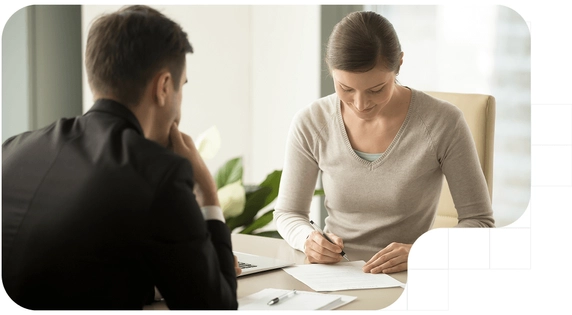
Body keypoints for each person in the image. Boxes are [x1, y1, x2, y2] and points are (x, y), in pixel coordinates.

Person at [2, 5, 240, 310]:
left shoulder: (12, 149)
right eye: (181, 88)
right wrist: (207, 188)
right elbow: (215, 307)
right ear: (164, 87)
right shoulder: (157, 174)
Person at [273, 11, 495, 275]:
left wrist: (422, 252)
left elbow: (480, 223)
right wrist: (308, 240)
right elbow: (289, 212)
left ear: (399, 65)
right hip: (334, 276)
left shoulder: (443, 122)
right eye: (346, 89)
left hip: (408, 276)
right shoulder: (311, 122)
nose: (360, 104)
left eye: (376, 90)